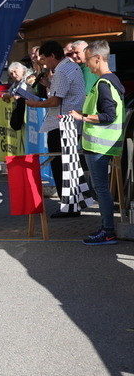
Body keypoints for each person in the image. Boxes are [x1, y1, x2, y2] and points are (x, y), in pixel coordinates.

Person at [68, 40, 124, 245]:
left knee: (100, 188)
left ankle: (108, 231)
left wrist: (82, 117)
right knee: (100, 188)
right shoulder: (111, 80)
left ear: (98, 58)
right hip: (103, 144)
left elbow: (109, 115)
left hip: (99, 144)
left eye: (88, 60)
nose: (86, 64)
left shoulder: (103, 83)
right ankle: (105, 227)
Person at [25, 40, 86, 218]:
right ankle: (73, 205)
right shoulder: (71, 66)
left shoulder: (61, 70)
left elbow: (54, 101)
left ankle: (69, 206)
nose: (43, 64)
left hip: (62, 123)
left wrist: (34, 104)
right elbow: (64, 93)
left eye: (44, 59)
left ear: (53, 56)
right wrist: (48, 85)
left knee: (62, 166)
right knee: (69, 165)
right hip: (70, 122)